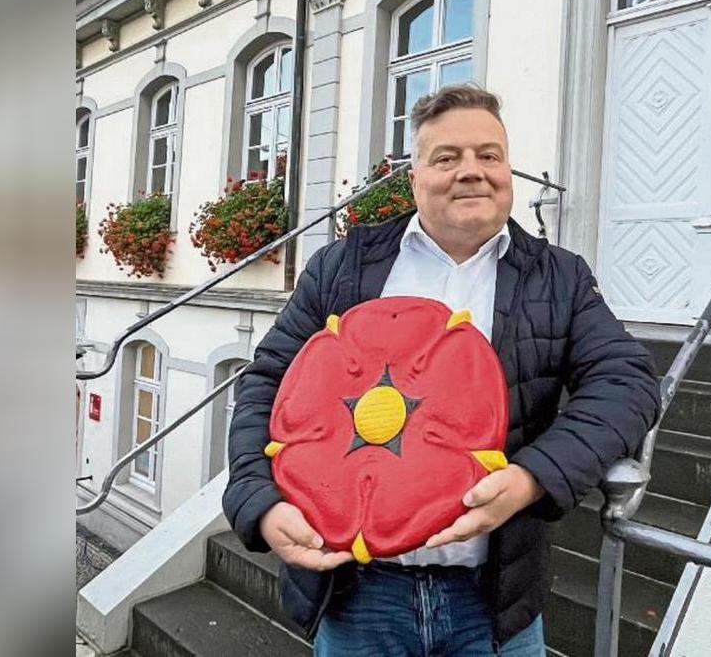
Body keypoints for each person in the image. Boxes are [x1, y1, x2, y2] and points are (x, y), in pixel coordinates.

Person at [223, 84, 660, 655]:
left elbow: (627, 382)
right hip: (359, 595)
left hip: (493, 598)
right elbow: (268, 382)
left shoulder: (558, 277)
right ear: (414, 179)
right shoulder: (345, 267)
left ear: (508, 171)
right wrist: (258, 498)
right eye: (447, 158)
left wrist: (533, 477)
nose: (471, 172)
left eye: (489, 155)